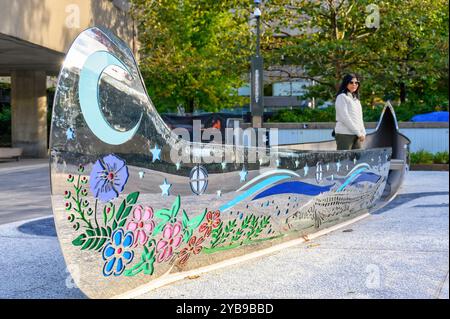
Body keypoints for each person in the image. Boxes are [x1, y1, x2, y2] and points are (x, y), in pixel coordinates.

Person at [334, 74, 366, 150]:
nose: (354, 84)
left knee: (358, 160)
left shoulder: (356, 100)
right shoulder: (342, 97)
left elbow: (359, 118)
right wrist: (358, 132)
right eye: (351, 82)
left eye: (356, 82)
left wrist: (363, 132)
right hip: (345, 134)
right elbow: (345, 118)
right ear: (346, 83)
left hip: (356, 134)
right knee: (344, 160)